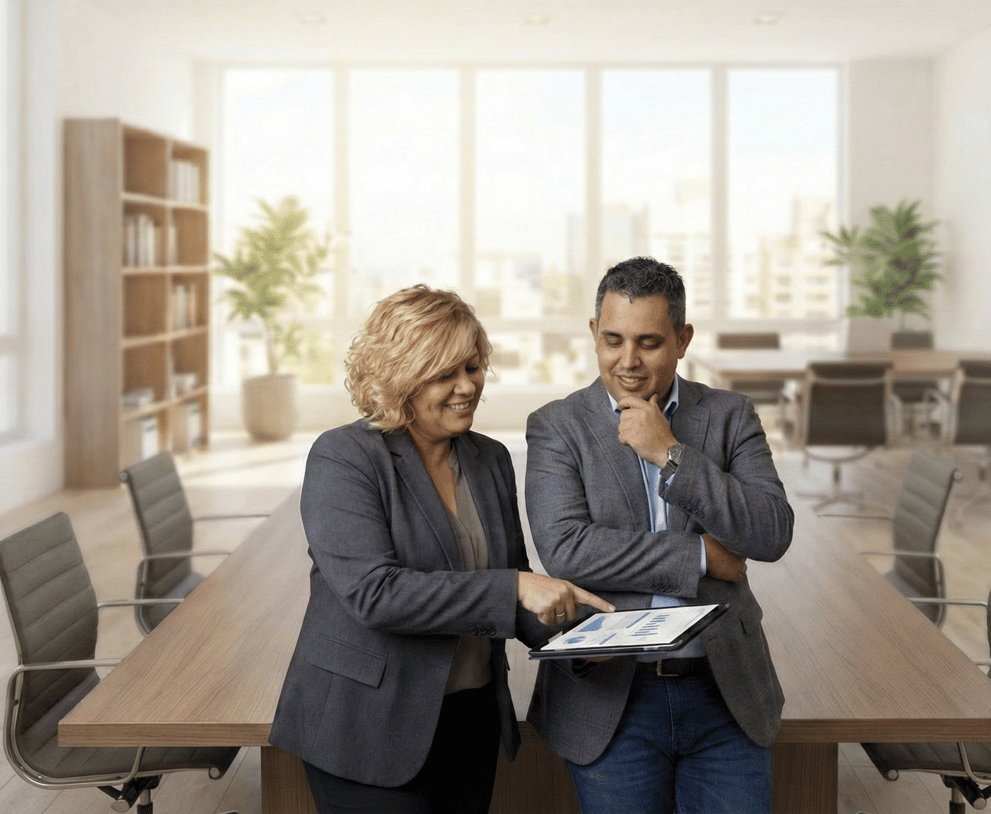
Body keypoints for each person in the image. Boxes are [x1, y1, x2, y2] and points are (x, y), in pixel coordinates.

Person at [269, 285, 613, 814]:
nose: (466, 387)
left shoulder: (489, 459)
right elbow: (375, 595)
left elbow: (510, 583)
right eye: (443, 374)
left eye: (473, 368)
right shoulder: (344, 457)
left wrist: (587, 632)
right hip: (368, 729)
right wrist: (517, 587)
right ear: (399, 376)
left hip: (469, 720)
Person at [524, 257, 795, 813]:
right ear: (594, 335)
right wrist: (700, 555)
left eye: (648, 342)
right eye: (613, 340)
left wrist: (671, 455)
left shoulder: (729, 416)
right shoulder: (556, 426)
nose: (628, 362)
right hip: (610, 697)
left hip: (724, 690)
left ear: (682, 339)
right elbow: (568, 548)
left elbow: (771, 533)